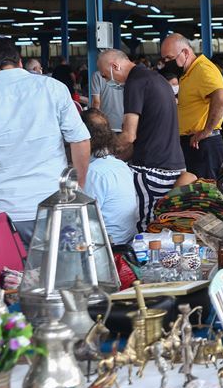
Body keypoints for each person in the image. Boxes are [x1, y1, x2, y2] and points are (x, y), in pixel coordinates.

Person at [0, 37, 91, 246]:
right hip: (54, 204)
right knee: (62, 274)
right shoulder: (53, 88)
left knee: (9, 277)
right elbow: (79, 140)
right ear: (19, 62)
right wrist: (77, 184)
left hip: (3, 212)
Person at [97, 49, 187, 231]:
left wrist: (102, 154)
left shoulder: (135, 82)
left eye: (106, 76)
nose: (107, 81)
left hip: (152, 173)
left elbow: (129, 135)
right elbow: (145, 134)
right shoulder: (156, 78)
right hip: (173, 167)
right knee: (162, 229)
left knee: (146, 232)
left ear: (115, 66)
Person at [161, 34, 223, 179]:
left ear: (185, 53)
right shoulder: (188, 72)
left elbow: (222, 98)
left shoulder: (203, 70)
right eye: (164, 59)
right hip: (193, 144)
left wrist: (206, 131)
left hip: (203, 145)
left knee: (204, 196)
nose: (166, 62)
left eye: (169, 58)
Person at [80, 109, 137, 245]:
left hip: (108, 247)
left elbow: (84, 220)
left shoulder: (93, 173)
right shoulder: (120, 165)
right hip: (127, 240)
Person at [90, 61, 125, 132]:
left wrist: (95, 123)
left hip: (105, 124)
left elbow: (96, 102)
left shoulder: (97, 75)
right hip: (124, 122)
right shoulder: (124, 75)